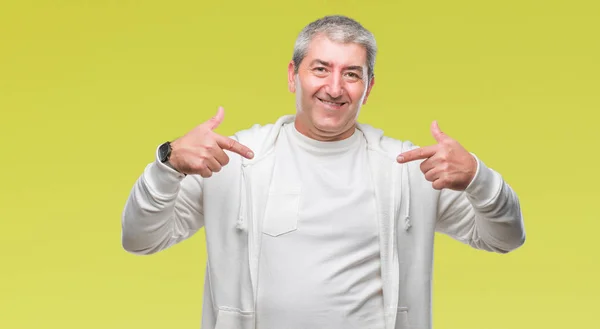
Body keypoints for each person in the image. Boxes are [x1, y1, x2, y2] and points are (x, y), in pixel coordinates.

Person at [121, 15, 526, 329]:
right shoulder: (234, 162)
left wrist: (478, 176)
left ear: (368, 89)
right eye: (320, 69)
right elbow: (140, 240)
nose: (334, 88)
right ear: (292, 75)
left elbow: (505, 238)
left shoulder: (407, 170)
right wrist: (168, 163)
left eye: (351, 74)